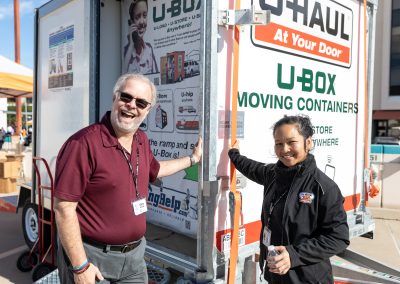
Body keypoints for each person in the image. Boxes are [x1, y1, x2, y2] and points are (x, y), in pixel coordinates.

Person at [54, 73, 202, 284]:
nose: (132, 105)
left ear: (148, 110)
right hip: (93, 260)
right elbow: (64, 207)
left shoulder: (141, 140)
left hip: (134, 259)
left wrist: (192, 159)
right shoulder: (83, 144)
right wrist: (80, 266)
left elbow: (156, 170)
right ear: (115, 98)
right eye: (126, 97)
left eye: (141, 102)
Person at [228, 115, 349, 283]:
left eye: (292, 142)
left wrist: (293, 255)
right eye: (278, 143)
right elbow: (251, 167)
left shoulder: (324, 187)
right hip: (275, 275)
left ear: (308, 143)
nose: (284, 149)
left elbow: (338, 238)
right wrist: (234, 154)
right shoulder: (273, 174)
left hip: (308, 279)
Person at [123, 0, 158, 74]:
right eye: (137, 17)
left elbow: (156, 76)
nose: (142, 22)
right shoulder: (126, 51)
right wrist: (131, 45)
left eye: (144, 16)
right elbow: (123, 77)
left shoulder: (149, 49)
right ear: (131, 22)